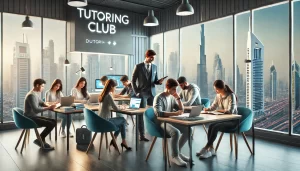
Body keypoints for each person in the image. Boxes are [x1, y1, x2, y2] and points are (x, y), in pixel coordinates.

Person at [153, 78, 192, 167]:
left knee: (189, 129)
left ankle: (177, 151)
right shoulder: (158, 97)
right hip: (161, 122)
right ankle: (174, 156)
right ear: (167, 87)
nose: (175, 91)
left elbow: (181, 109)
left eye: (176, 89)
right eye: (173, 89)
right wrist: (174, 113)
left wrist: (178, 99)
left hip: (170, 121)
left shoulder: (171, 97)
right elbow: (158, 113)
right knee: (175, 132)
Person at [197, 80, 238, 159]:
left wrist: (219, 110)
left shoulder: (231, 95)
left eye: (217, 89)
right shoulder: (218, 95)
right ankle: (211, 150)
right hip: (223, 119)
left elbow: (231, 111)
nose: (216, 91)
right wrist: (207, 109)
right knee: (211, 125)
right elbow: (213, 106)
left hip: (232, 121)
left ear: (222, 88)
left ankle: (206, 148)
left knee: (215, 127)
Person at [132, 49, 165, 141]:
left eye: (153, 57)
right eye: (151, 57)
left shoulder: (154, 67)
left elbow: (155, 80)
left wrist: (159, 82)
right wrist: (137, 92)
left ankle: (154, 131)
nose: (152, 59)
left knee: (154, 113)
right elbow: (133, 80)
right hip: (142, 93)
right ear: (147, 56)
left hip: (152, 93)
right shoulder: (138, 66)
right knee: (140, 113)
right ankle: (141, 135)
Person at [98, 79, 132, 151]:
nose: (115, 88)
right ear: (111, 87)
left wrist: (118, 107)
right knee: (122, 120)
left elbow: (109, 106)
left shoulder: (102, 95)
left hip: (100, 120)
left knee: (121, 122)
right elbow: (115, 108)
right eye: (115, 87)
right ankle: (117, 139)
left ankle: (119, 141)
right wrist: (123, 107)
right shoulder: (108, 95)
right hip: (105, 121)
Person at [24, 78, 57, 150]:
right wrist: (49, 108)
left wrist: (49, 106)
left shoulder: (35, 94)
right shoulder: (31, 95)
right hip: (30, 119)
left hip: (33, 117)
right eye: (42, 86)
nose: (43, 88)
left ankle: (40, 139)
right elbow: (36, 110)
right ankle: (40, 140)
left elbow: (41, 103)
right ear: (37, 85)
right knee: (50, 124)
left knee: (54, 121)